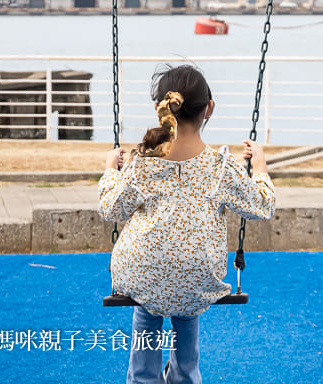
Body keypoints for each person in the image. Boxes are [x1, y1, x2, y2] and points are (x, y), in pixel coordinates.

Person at [99, 64, 275, 384]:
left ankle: (144, 378)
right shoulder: (221, 167)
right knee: (187, 298)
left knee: (148, 305)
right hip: (197, 275)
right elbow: (262, 206)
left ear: (159, 109)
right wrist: (260, 166)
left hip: (142, 271)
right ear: (209, 109)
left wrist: (111, 169)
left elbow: (110, 207)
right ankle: (184, 377)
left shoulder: (144, 162)